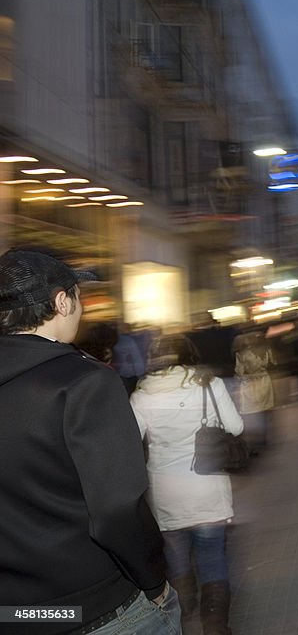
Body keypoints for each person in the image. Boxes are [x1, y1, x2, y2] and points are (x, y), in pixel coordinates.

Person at [0, 249, 179, 634]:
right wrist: (154, 581)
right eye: (78, 296)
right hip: (99, 606)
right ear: (61, 301)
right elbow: (116, 509)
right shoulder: (83, 382)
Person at [131, 334, 243, 634]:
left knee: (175, 556)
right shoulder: (209, 385)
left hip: (166, 491)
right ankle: (216, 625)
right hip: (206, 487)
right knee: (213, 557)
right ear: (189, 354)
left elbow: (131, 442)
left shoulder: (141, 396)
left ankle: (183, 608)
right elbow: (236, 426)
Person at [234, 329, 275, 454]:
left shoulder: (242, 354)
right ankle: (263, 439)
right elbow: (273, 363)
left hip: (250, 384)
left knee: (250, 413)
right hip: (265, 382)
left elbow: (239, 371)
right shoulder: (266, 350)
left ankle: (253, 442)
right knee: (264, 411)